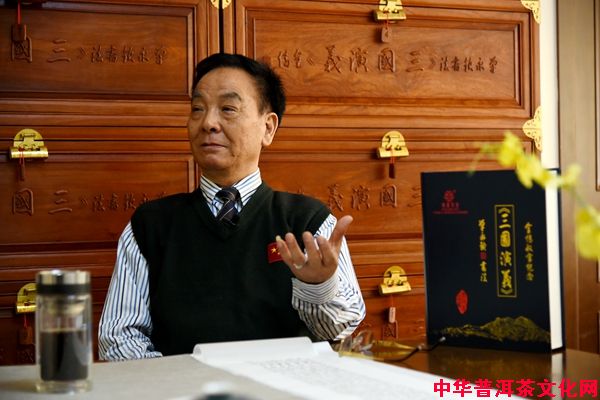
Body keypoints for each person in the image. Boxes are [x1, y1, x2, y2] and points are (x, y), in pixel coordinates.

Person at [98, 53, 366, 360]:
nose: (208, 123)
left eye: (228, 109)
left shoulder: (309, 222)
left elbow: (338, 330)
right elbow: (118, 339)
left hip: (282, 385)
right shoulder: (149, 226)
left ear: (268, 128)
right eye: (198, 109)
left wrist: (318, 286)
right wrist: (179, 382)